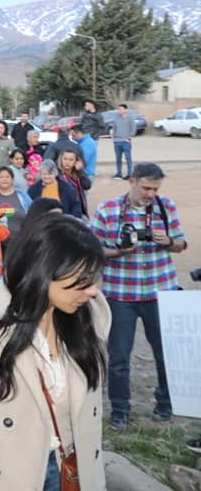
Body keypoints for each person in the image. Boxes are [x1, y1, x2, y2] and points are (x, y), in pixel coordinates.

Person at [0, 214, 110, 490]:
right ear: (44, 271)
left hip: (71, 471)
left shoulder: (88, 321)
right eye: (82, 280)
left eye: (94, 278)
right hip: (11, 477)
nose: (93, 290)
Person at [90, 163, 187, 428]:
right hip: (121, 294)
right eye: (146, 188)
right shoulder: (108, 209)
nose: (151, 194)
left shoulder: (165, 206)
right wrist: (118, 251)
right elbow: (93, 249)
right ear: (132, 182)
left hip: (161, 291)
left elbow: (181, 243)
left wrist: (168, 241)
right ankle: (120, 409)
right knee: (119, 357)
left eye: (155, 189)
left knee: (165, 354)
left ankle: (165, 403)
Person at [0, 166, 31, 240]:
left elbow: (32, 213)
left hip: (21, 240)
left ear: (12, 180)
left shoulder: (22, 195)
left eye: (7, 177)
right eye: (1, 177)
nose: (4, 179)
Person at [58, 148, 92, 218]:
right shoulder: (58, 175)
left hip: (80, 211)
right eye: (65, 159)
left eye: (71, 160)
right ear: (61, 160)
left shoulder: (78, 174)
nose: (67, 162)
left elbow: (87, 185)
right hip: (66, 213)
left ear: (76, 162)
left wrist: (80, 170)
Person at [111, 104, 136, 180]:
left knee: (128, 158)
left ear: (125, 109)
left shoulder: (130, 118)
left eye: (121, 109)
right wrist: (114, 138)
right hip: (117, 141)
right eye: (119, 109)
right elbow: (114, 128)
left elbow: (133, 128)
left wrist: (129, 137)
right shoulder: (116, 118)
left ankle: (129, 174)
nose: (120, 110)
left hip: (126, 142)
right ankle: (119, 173)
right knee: (118, 158)